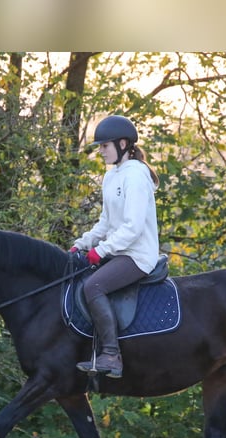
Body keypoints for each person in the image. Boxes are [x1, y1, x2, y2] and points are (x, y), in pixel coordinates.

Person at [71, 115, 160, 378]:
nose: (100, 151)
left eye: (104, 146)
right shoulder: (112, 177)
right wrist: (82, 244)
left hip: (136, 254)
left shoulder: (136, 176)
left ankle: (111, 355)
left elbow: (132, 228)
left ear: (123, 144)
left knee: (93, 286)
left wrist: (101, 251)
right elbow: (106, 222)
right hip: (119, 251)